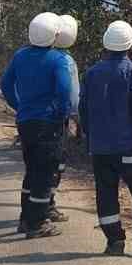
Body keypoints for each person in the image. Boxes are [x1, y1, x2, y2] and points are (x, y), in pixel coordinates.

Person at [79, 20, 132, 259]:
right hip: (127, 146)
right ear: (130, 44)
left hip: (100, 148)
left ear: (106, 43)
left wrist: (90, 136)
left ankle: (114, 242)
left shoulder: (92, 73)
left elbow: (83, 109)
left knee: (106, 193)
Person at [0, 12, 75, 238]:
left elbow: (5, 84)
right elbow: (64, 93)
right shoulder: (58, 60)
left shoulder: (20, 55)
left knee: (31, 171)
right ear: (53, 35)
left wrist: (18, 106)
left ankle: (25, 219)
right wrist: (61, 115)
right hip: (48, 123)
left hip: (25, 122)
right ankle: (37, 223)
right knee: (44, 173)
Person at [46, 14, 83, 222]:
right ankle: (48, 204)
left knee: (37, 164)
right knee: (56, 163)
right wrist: (77, 118)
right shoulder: (66, 61)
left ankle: (36, 205)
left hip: (34, 118)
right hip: (57, 119)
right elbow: (72, 95)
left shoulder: (39, 53)